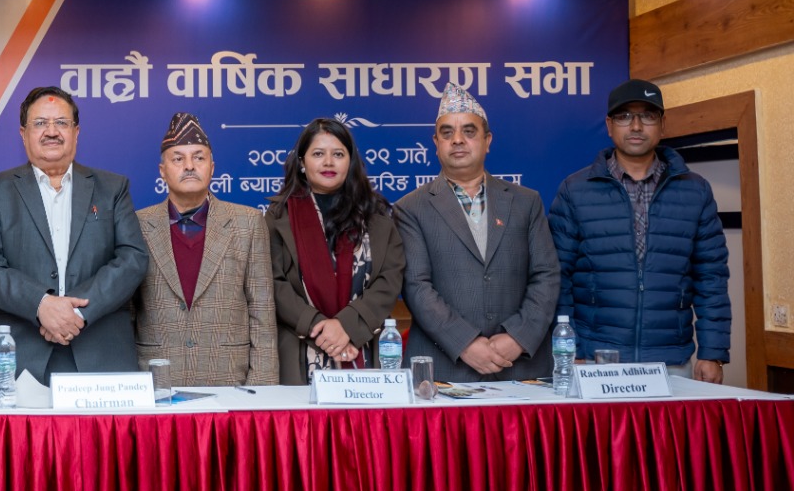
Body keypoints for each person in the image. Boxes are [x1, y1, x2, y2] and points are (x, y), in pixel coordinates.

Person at [548, 78, 730, 381]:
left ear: (662, 125)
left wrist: (713, 353)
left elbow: (711, 277)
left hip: (670, 361)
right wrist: (572, 350)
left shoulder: (695, 191)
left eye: (647, 115)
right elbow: (557, 277)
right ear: (609, 125)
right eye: (624, 116)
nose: (635, 126)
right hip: (594, 360)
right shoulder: (575, 190)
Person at [0, 86, 148, 384]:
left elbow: (132, 259)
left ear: (76, 132)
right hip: (18, 357)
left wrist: (75, 314)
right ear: (23, 134)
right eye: (40, 123)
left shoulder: (112, 188)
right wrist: (41, 304)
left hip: (100, 355)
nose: (51, 131)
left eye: (61, 123)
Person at [394, 83, 559, 382]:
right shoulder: (410, 208)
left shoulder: (526, 202)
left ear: (487, 140)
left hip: (520, 366)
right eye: (447, 133)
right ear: (436, 143)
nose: (457, 140)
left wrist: (517, 338)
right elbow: (416, 286)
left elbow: (546, 276)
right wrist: (465, 344)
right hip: (443, 368)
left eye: (469, 131)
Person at [132, 113, 278, 387]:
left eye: (198, 158)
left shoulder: (247, 222)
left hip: (229, 379)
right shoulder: (137, 224)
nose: (189, 166)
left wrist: (262, 389)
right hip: (155, 382)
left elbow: (262, 312)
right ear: (162, 170)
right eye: (178, 159)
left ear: (212, 167)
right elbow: (126, 313)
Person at [266, 117, 405, 385]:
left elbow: (389, 279)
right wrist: (322, 330)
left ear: (350, 163)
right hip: (300, 349)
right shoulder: (278, 216)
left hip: (364, 344)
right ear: (302, 163)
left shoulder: (377, 216)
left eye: (338, 154)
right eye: (318, 154)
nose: (328, 162)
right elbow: (272, 283)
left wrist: (347, 327)